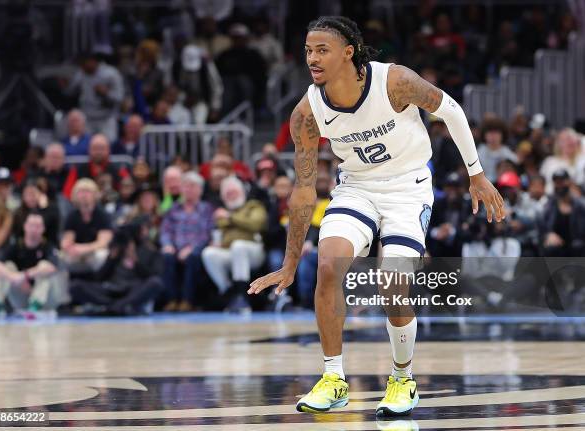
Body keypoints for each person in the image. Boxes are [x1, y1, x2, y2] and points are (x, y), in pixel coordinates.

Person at [247, 16, 504, 417]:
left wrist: (477, 175)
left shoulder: (394, 81)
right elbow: (302, 191)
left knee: (392, 282)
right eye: (308, 51)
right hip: (357, 188)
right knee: (329, 265)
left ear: (348, 52)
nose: (312, 59)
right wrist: (290, 262)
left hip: (407, 188)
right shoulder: (306, 112)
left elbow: (450, 110)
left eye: (322, 50)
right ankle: (333, 379)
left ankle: (403, 378)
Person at [201, 176, 267, 311]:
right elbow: (219, 233)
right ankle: (229, 291)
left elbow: (256, 224)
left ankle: (242, 295)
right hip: (231, 252)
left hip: (254, 251)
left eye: (233, 192)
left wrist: (230, 217)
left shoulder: (253, 206)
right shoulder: (221, 212)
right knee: (208, 253)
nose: (231, 196)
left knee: (238, 245)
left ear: (242, 191)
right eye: (227, 194)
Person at [0, 213, 61, 320]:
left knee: (44, 267)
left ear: (43, 229)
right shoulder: (16, 246)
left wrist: (25, 275)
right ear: (25, 227)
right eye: (31, 225)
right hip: (21, 297)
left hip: (46, 300)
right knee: (7, 266)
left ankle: (36, 306)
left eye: (38, 226)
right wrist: (13, 277)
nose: (34, 229)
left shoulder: (48, 247)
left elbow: (51, 268)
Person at [160, 172, 213, 311]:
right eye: (185, 186)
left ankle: (187, 300)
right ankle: (171, 300)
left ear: (200, 190)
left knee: (193, 257)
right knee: (167, 257)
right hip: (175, 247)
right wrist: (168, 245)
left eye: (192, 186)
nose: (188, 189)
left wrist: (191, 248)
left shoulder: (206, 209)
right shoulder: (173, 208)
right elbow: (166, 230)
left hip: (195, 249)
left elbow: (206, 234)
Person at [61, 179, 113, 275]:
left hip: (93, 251)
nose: (84, 195)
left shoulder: (102, 215)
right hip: (77, 252)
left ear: (95, 195)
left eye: (87, 191)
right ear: (75, 195)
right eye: (80, 192)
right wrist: (68, 247)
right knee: (61, 258)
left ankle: (101, 281)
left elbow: (103, 243)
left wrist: (83, 248)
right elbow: (67, 240)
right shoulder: (72, 216)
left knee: (101, 255)